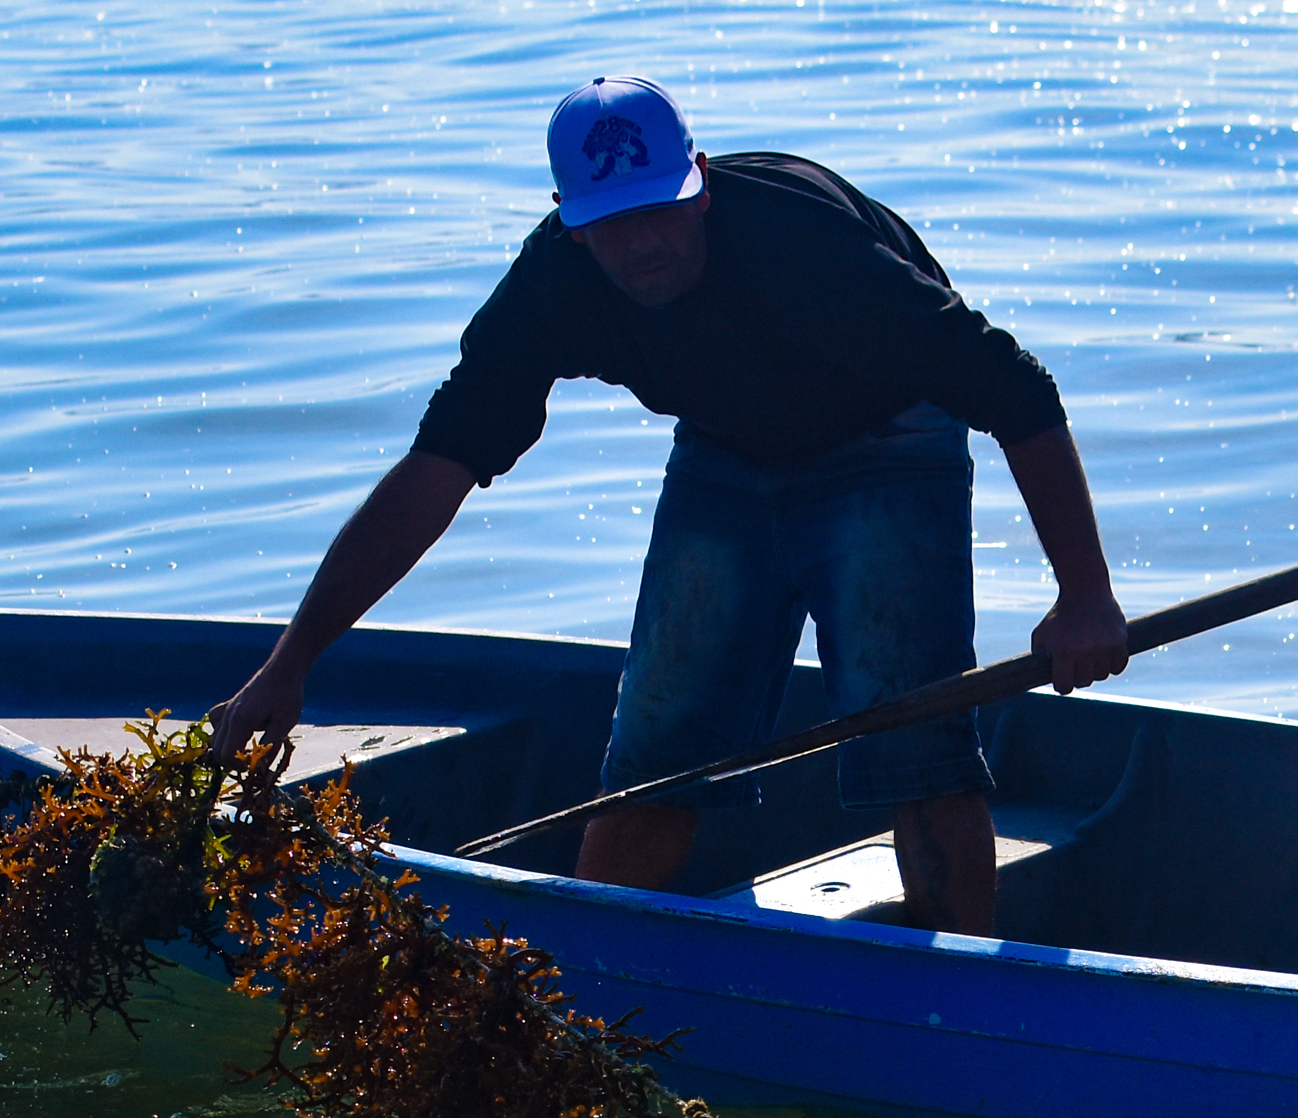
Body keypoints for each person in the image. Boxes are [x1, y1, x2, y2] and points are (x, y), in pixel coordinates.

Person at [207, 77, 1128, 933]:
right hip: (726, 450)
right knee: (653, 761)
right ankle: (579, 997)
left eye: (662, 211)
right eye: (614, 224)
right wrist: (289, 664)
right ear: (571, 226)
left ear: (702, 189)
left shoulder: (807, 247)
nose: (645, 244)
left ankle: (958, 1001)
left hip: (888, 436)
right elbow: (437, 467)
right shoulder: (548, 292)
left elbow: (1019, 393)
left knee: (915, 748)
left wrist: (1083, 594)